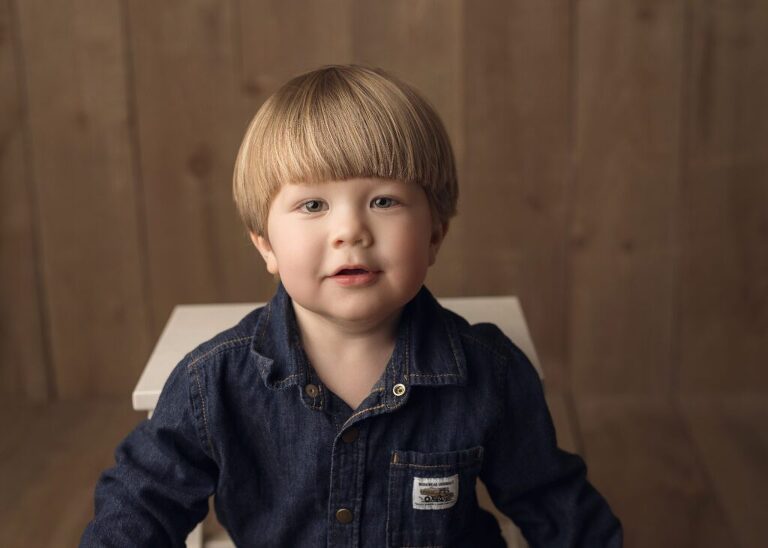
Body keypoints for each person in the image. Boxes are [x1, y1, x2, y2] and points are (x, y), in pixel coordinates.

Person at [80, 64, 622, 547]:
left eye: (383, 201)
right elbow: (142, 500)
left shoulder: (489, 373)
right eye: (312, 204)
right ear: (265, 244)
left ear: (435, 233)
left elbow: (556, 504)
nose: (350, 231)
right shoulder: (213, 381)